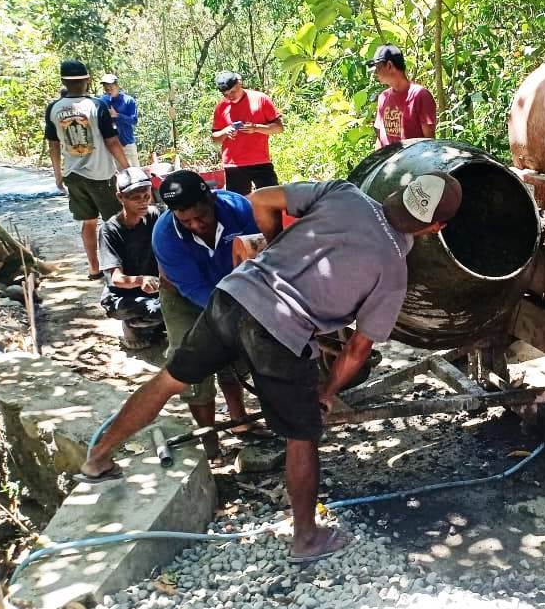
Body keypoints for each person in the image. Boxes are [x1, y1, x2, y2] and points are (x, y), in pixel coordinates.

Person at [77, 173, 462, 563]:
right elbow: (359, 349)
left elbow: (261, 199)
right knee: (302, 434)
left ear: (398, 193)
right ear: (436, 227)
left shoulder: (344, 194)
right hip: (280, 330)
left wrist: (275, 244)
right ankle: (307, 538)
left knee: (168, 380)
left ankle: (98, 459)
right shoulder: (393, 272)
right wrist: (326, 393)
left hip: (233, 295)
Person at [151, 170, 262, 459]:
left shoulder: (240, 209)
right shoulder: (165, 236)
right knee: (191, 360)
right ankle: (209, 439)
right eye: (185, 221)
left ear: (211, 199)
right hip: (184, 296)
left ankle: (240, 422)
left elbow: (262, 252)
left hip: (236, 287)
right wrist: (229, 315)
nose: (196, 225)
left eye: (201, 216)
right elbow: (192, 288)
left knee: (234, 353)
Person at [45, 59, 132, 280]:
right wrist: (128, 169)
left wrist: (58, 175)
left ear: (63, 80)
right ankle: (120, 269)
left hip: (73, 175)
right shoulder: (96, 106)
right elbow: (112, 142)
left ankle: (94, 268)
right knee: (115, 221)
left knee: (88, 222)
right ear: (87, 80)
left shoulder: (54, 109)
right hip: (101, 175)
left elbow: (53, 146)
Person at [98, 167, 164, 350]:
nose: (143, 203)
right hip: (122, 296)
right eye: (136, 198)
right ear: (120, 198)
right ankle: (131, 326)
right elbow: (117, 279)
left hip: (155, 289)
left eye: (146, 196)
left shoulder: (155, 216)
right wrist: (141, 280)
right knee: (156, 309)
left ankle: (155, 326)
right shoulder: (109, 230)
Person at [210, 71, 283, 196]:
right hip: (233, 165)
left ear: (239, 83)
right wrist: (225, 132)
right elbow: (215, 139)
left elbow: (278, 128)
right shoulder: (221, 107)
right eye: (226, 94)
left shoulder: (260, 99)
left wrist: (256, 128)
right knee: (238, 206)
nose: (230, 96)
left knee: (273, 200)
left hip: (261, 161)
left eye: (232, 92)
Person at [367, 45, 437, 148]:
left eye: (378, 68)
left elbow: (429, 142)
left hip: (413, 161)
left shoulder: (420, 95)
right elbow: (380, 138)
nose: (375, 73)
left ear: (390, 66)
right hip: (389, 162)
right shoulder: (383, 97)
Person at [99, 73, 139, 167]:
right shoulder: (102, 101)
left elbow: (134, 120)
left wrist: (117, 115)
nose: (109, 91)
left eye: (111, 88)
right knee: (121, 177)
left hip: (127, 143)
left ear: (117, 86)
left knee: (136, 173)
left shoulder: (128, 100)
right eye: (106, 89)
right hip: (113, 145)